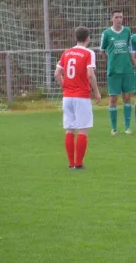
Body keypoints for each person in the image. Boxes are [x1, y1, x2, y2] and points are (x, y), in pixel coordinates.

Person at [55, 27, 101, 169]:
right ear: (88, 38)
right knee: (83, 129)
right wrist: (97, 92)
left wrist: (65, 87)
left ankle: (70, 164)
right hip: (81, 97)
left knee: (69, 129)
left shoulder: (66, 53)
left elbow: (57, 74)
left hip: (67, 97)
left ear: (76, 37)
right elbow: (90, 74)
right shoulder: (89, 53)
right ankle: (79, 164)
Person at [100, 9, 135, 135]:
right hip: (114, 71)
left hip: (127, 70)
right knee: (113, 98)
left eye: (121, 17)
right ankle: (114, 128)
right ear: (111, 19)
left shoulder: (127, 31)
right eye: (116, 17)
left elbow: (130, 48)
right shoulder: (106, 34)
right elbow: (102, 50)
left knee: (127, 97)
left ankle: (127, 127)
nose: (119, 19)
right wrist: (109, 63)